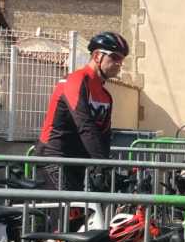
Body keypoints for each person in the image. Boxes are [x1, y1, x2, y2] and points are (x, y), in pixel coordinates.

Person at [36, 31, 128, 190]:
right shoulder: (75, 80)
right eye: (114, 57)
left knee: (81, 204)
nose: (119, 63)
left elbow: (104, 135)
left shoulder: (106, 96)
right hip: (55, 157)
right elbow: (85, 125)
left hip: (78, 160)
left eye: (122, 59)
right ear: (97, 56)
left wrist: (105, 167)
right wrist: (104, 165)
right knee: (66, 205)